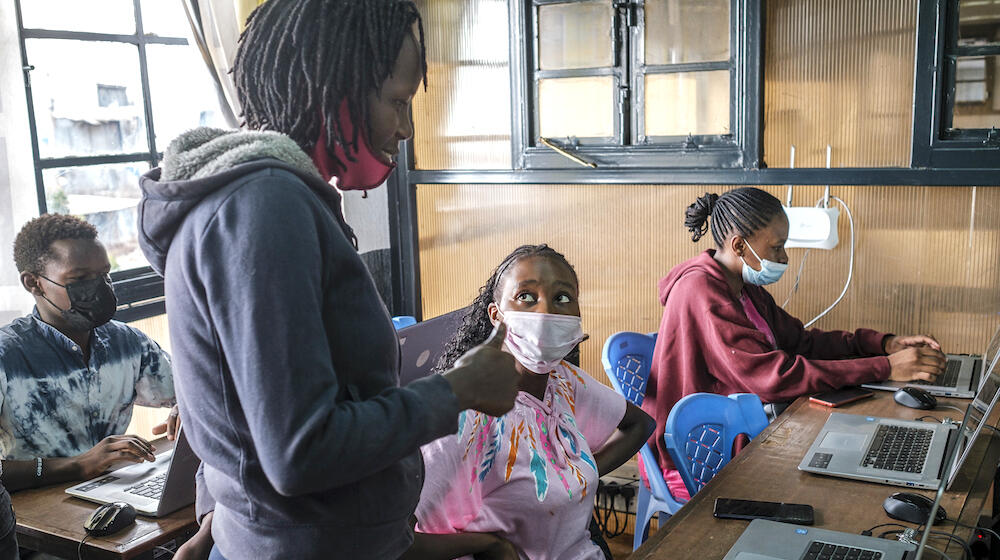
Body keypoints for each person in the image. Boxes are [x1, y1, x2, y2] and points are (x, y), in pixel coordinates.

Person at [135, 2, 520, 559]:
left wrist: (221, 513)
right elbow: (300, 452)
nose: (406, 128)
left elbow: (233, 401)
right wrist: (456, 391)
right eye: (398, 101)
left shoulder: (263, 200)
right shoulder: (265, 207)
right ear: (337, 92)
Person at [641, 188, 946, 501]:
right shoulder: (701, 292)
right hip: (698, 453)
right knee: (834, 479)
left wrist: (882, 345)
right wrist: (884, 368)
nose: (784, 257)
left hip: (737, 427)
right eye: (777, 247)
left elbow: (803, 343)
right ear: (739, 246)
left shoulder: (744, 288)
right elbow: (774, 378)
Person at [408, 244, 654, 560]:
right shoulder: (469, 416)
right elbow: (400, 543)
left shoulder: (564, 380)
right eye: (526, 297)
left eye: (562, 298)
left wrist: (576, 478)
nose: (545, 312)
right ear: (496, 315)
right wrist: (488, 545)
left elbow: (640, 424)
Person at [0, 214, 177, 494]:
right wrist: (77, 465)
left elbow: (193, 394)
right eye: (80, 278)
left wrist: (188, 409)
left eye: (104, 275)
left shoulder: (126, 342)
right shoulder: (6, 356)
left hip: (115, 496)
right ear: (34, 283)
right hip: (36, 521)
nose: (100, 288)